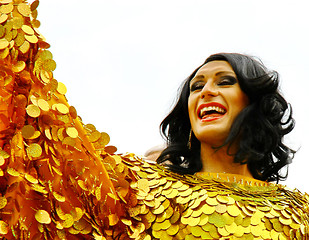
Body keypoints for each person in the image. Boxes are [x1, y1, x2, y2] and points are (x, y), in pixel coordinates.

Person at [0, 1, 308, 239]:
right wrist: (13, 23)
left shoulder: (300, 213)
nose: (205, 92)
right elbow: (51, 140)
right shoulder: (142, 185)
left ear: (254, 103)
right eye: (196, 87)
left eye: (224, 82)